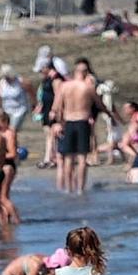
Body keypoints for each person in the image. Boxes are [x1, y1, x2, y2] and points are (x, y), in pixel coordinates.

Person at [50, 58, 98, 195]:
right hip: (82, 121)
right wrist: (111, 116)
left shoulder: (65, 86)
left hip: (68, 122)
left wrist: (57, 123)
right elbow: (99, 104)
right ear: (86, 72)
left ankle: (68, 189)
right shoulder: (88, 87)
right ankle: (80, 189)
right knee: (82, 158)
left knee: (68, 158)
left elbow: (55, 107)